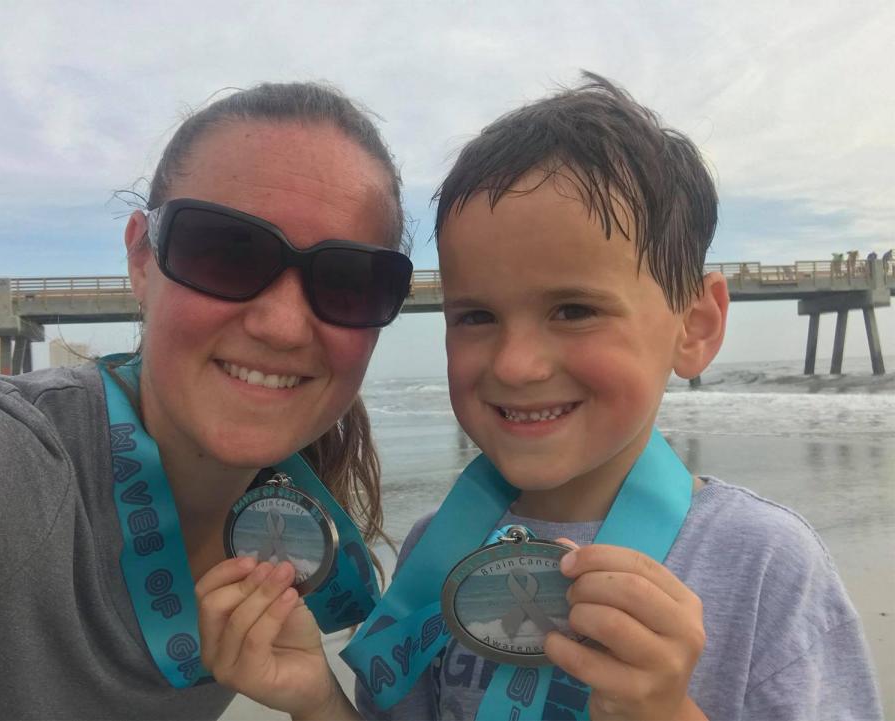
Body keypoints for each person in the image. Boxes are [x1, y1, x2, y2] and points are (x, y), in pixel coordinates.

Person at [200, 74, 883, 721]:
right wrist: (315, 698)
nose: (517, 364)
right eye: (475, 316)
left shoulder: (762, 562)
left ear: (695, 324)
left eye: (574, 309)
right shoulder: (433, 551)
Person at [0, 81, 413, 720]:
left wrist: (322, 703)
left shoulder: (281, 536)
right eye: (226, 252)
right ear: (141, 257)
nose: (282, 325)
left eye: (349, 282)